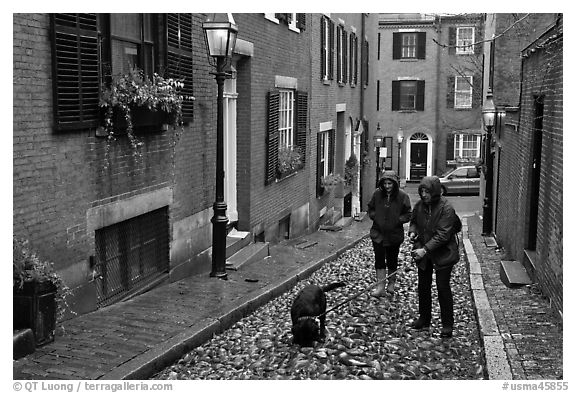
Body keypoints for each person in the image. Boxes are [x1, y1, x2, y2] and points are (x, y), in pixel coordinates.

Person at [408, 175, 460, 338]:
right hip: (424, 252)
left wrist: (425, 249)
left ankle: (447, 324)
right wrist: (412, 232)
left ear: (435, 192)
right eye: (422, 191)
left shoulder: (446, 208)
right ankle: (424, 318)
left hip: (443, 253)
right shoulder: (419, 205)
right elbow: (414, 221)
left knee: (442, 287)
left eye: (427, 192)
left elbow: (443, 235)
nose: (424, 195)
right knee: (423, 286)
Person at [367, 170, 412, 297]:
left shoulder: (402, 196)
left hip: (394, 234)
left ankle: (391, 283)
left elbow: (408, 213)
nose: (387, 186)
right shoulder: (377, 194)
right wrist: (375, 217)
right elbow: (371, 208)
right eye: (385, 183)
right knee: (379, 259)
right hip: (378, 234)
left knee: (392, 259)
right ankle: (380, 286)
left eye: (390, 184)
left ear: (394, 184)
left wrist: (397, 220)